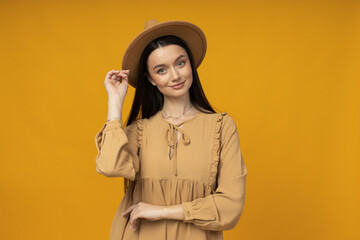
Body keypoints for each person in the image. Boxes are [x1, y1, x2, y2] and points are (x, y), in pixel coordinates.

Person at [95, 19, 248, 240]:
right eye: (161, 70)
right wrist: (115, 103)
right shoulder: (140, 130)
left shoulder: (222, 127)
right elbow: (109, 166)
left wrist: (162, 212)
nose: (175, 76)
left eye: (180, 63)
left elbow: (231, 207)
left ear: (191, 65)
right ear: (151, 79)